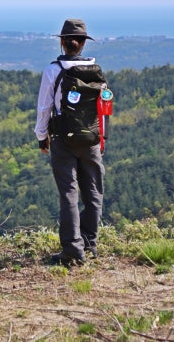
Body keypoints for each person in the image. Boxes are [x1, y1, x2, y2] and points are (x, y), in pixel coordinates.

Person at [34, 18, 105, 266]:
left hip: (63, 138)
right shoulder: (96, 71)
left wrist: (42, 136)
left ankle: (73, 251)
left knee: (69, 193)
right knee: (94, 191)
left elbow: (44, 108)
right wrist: (100, 139)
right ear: (83, 44)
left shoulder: (54, 70)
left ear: (63, 42)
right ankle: (90, 244)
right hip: (92, 138)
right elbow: (102, 109)